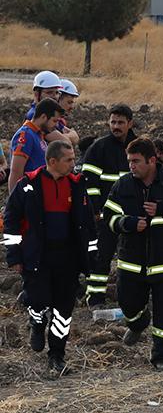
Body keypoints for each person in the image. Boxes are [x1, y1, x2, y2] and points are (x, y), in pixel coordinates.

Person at [4, 140, 97, 376]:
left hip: (68, 258)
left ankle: (57, 355)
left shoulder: (77, 186)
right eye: (69, 160)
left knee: (63, 311)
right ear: (52, 161)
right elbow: (11, 221)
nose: (74, 164)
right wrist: (14, 255)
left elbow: (88, 223)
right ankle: (36, 321)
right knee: (37, 300)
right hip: (37, 257)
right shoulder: (28, 186)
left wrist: (92, 255)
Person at [105, 138, 163, 370]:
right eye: (129, 161)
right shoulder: (123, 185)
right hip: (130, 263)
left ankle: (161, 358)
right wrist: (127, 223)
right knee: (128, 305)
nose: (131, 166)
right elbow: (109, 216)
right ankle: (137, 323)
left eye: (136, 161)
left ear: (152, 161)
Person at [80, 105, 138, 305]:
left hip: (132, 217)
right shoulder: (98, 147)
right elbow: (88, 182)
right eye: (113, 122)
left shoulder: (139, 147)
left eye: (120, 122)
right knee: (101, 257)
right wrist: (96, 210)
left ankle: (131, 298)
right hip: (106, 217)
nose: (116, 126)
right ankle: (95, 297)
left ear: (130, 123)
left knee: (132, 259)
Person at [9, 98, 63, 192]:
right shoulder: (26, 135)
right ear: (43, 117)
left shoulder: (38, 135)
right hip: (28, 196)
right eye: (54, 121)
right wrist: (15, 202)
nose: (56, 125)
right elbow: (16, 172)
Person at [52, 78, 80, 148]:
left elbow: (75, 138)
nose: (72, 107)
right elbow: (70, 140)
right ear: (57, 100)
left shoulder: (59, 121)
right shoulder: (46, 119)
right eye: (69, 102)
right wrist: (70, 136)